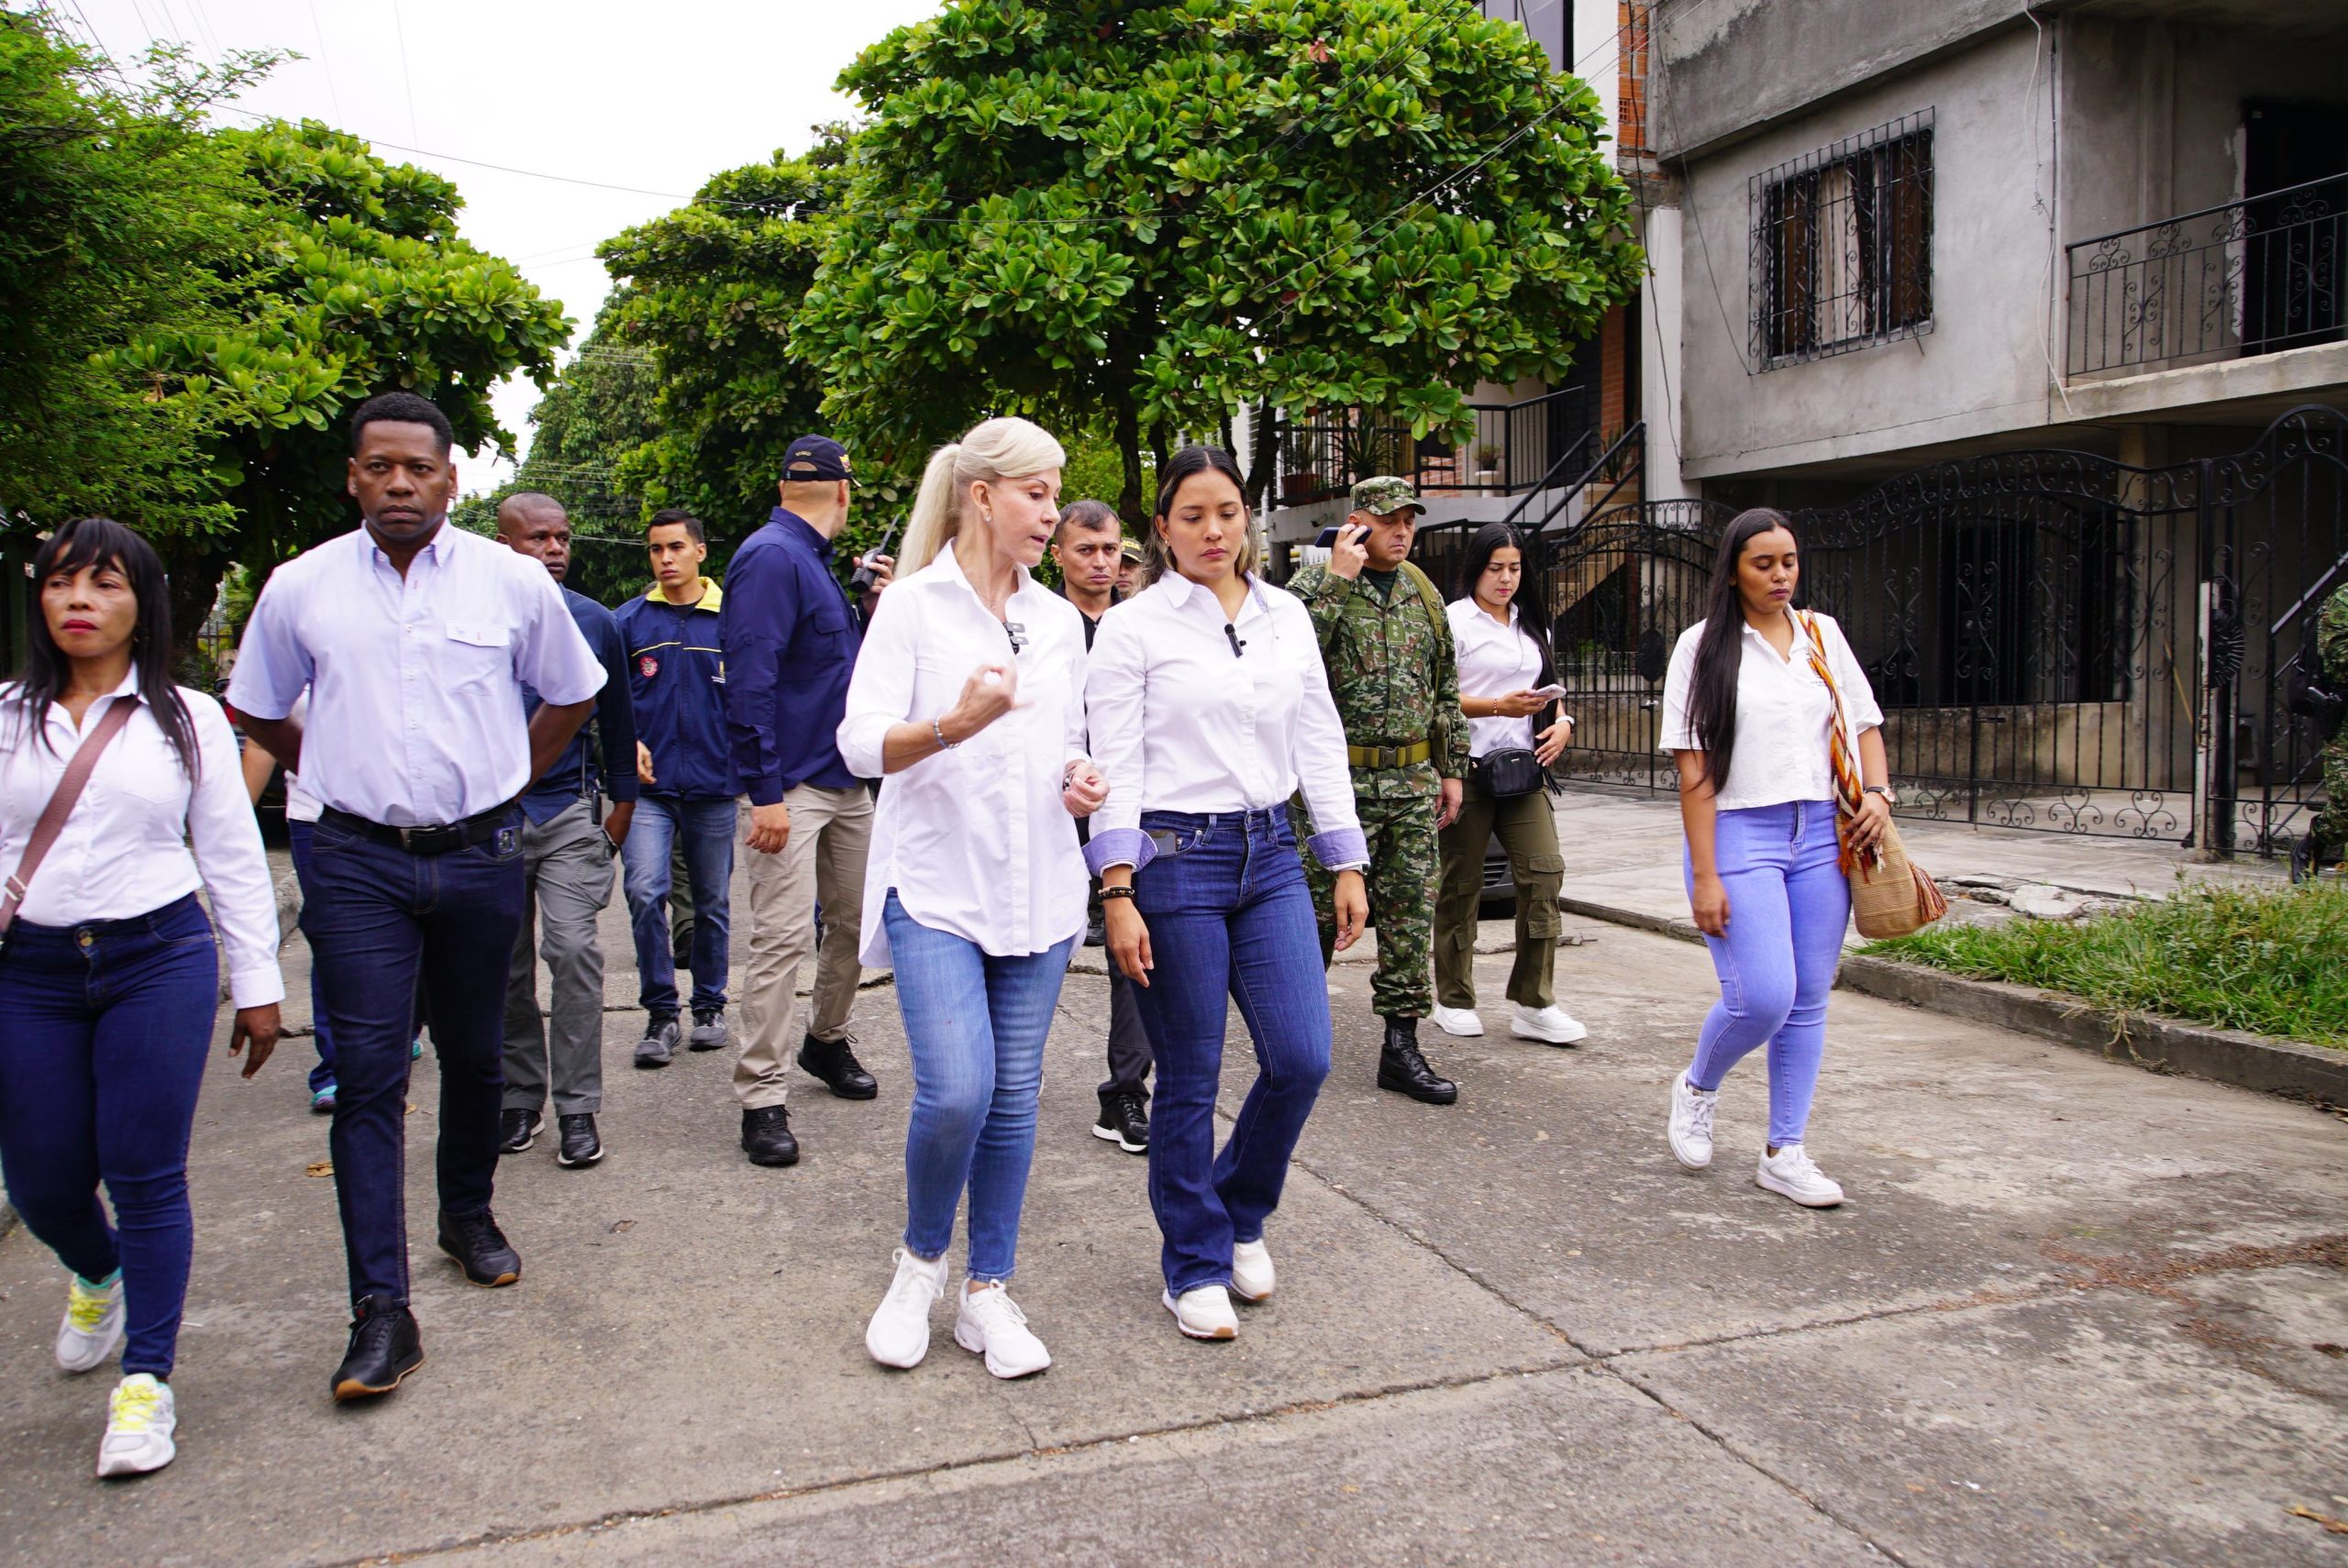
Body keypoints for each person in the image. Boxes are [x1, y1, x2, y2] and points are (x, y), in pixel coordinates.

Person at [230, 392, 605, 1401]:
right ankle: (381, 1311)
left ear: (450, 478)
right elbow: (257, 707)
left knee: (480, 1052)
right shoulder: (301, 587)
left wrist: (512, 777)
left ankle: (467, 1214)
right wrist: (336, 766)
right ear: (353, 476)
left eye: (419, 468)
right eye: (379, 467)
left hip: (483, 852)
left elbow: (574, 689)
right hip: (352, 861)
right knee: (368, 1077)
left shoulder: (508, 582)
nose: (400, 483)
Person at [1, 517, 283, 1476]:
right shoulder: (6, 715)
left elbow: (233, 856)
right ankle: (98, 1269)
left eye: (106, 584)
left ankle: (147, 1383)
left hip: (156, 957)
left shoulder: (188, 718)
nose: (80, 601)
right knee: (41, 1178)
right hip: (28, 971)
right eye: (63, 584)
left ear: (142, 602)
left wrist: (259, 986)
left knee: (144, 1169)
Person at [841, 416, 1105, 1379]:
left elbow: (1069, 740)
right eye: (1036, 493)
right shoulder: (911, 607)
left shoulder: (1060, 621)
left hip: (1038, 886)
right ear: (982, 495)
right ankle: (919, 1265)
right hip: (938, 886)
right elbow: (859, 743)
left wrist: (1081, 779)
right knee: (957, 1090)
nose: (1052, 512)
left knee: (1013, 1100)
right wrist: (953, 724)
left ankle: (986, 1294)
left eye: (1056, 492)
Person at [1089, 446, 1368, 1342]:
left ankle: (1241, 1208)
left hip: (1271, 858)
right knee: (1190, 1076)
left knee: (1301, 1056)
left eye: (1227, 513)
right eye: (1192, 516)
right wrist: (1117, 888)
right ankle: (1194, 1265)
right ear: (1162, 529)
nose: (1213, 530)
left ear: (1245, 519)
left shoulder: (1288, 614)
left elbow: (1318, 735)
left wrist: (1345, 859)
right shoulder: (1134, 629)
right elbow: (1118, 760)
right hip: (1175, 862)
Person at [1660, 508, 1889, 1209]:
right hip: (1740, 833)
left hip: (1823, 833)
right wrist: (1704, 875)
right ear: (1733, 570)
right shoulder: (1700, 649)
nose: (1780, 575)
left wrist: (1878, 792)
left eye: (1789, 561)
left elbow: (1865, 721)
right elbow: (1693, 771)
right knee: (1763, 996)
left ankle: (1785, 1151)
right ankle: (1698, 1086)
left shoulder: (1822, 635)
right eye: (1764, 563)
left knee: (1809, 1000)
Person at [721, 435, 890, 1168]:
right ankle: (762, 1096)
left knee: (855, 924)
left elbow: (829, 670)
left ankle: (826, 1040)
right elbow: (749, 680)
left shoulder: (812, 564)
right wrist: (764, 793)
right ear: (843, 491)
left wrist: (861, 600)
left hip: (845, 779)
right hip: (788, 786)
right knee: (782, 940)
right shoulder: (771, 557)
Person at [1284, 477, 1468, 1104]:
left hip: (1412, 782)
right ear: (1357, 522)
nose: (1401, 532)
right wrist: (1337, 577)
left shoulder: (1423, 591)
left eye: (1409, 522)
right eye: (1389, 521)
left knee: (1410, 918)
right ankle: (1294, 1038)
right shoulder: (1314, 587)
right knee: (1315, 918)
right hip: (1337, 787)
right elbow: (1288, 664)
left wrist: (1451, 768)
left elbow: (1445, 683)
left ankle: (1401, 1046)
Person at [493, 493, 638, 1168]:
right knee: (505, 966)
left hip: (567, 815)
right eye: (537, 538)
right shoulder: (474, 617)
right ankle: (520, 1096)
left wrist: (624, 805)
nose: (554, 548)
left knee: (575, 953)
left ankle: (577, 1108)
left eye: (562, 537)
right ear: (503, 544)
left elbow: (619, 719)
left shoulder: (595, 621)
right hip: (490, 822)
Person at [1430, 524, 1587, 1046]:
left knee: (1543, 876)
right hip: (1467, 769)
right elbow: (1437, 697)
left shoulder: (1531, 622)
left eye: (1514, 568)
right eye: (1496, 568)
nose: (1505, 579)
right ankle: (1452, 997)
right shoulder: (1453, 622)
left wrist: (1563, 722)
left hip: (1524, 772)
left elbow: (1549, 689)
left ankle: (1533, 1001)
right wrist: (1499, 705)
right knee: (1461, 885)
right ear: (1476, 567)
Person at [614, 508, 738, 1066]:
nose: (665, 559)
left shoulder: (733, 620)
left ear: (700, 552)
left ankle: (709, 1006)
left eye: (676, 548)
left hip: (714, 785)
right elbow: (602, 700)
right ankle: (661, 1014)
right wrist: (623, 744)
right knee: (644, 892)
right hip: (650, 790)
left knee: (711, 903)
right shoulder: (630, 623)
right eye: (656, 550)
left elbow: (756, 696)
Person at [1050, 499, 1150, 1154]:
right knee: (1032, 949)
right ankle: (993, 1085)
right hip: (1048, 809)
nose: (1101, 562)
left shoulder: (1138, 628)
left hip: (1124, 807)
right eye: (1086, 550)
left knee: (1134, 951)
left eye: (1110, 550)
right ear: (1057, 553)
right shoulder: (1033, 626)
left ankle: (1125, 1095)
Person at [2294, 580, 2348, 883]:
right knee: (2345, 809)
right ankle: (2311, 844)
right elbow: (2338, 655)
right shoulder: (2343, 599)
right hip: (2344, 724)